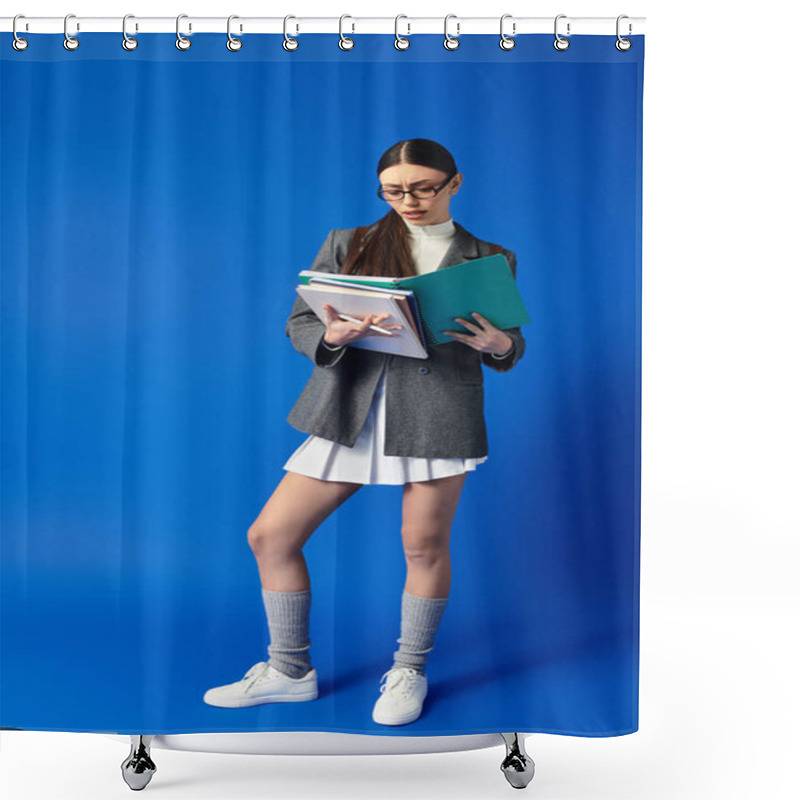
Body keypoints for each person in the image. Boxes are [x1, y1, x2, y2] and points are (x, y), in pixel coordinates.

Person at [203, 138, 526, 726]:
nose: (409, 200)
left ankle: (409, 670)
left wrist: (500, 345)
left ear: (454, 183)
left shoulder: (490, 257)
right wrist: (332, 337)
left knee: (422, 546)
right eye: (395, 190)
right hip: (349, 405)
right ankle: (288, 670)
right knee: (270, 536)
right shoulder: (348, 243)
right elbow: (303, 320)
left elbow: (508, 341)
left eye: (424, 187)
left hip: (438, 413)